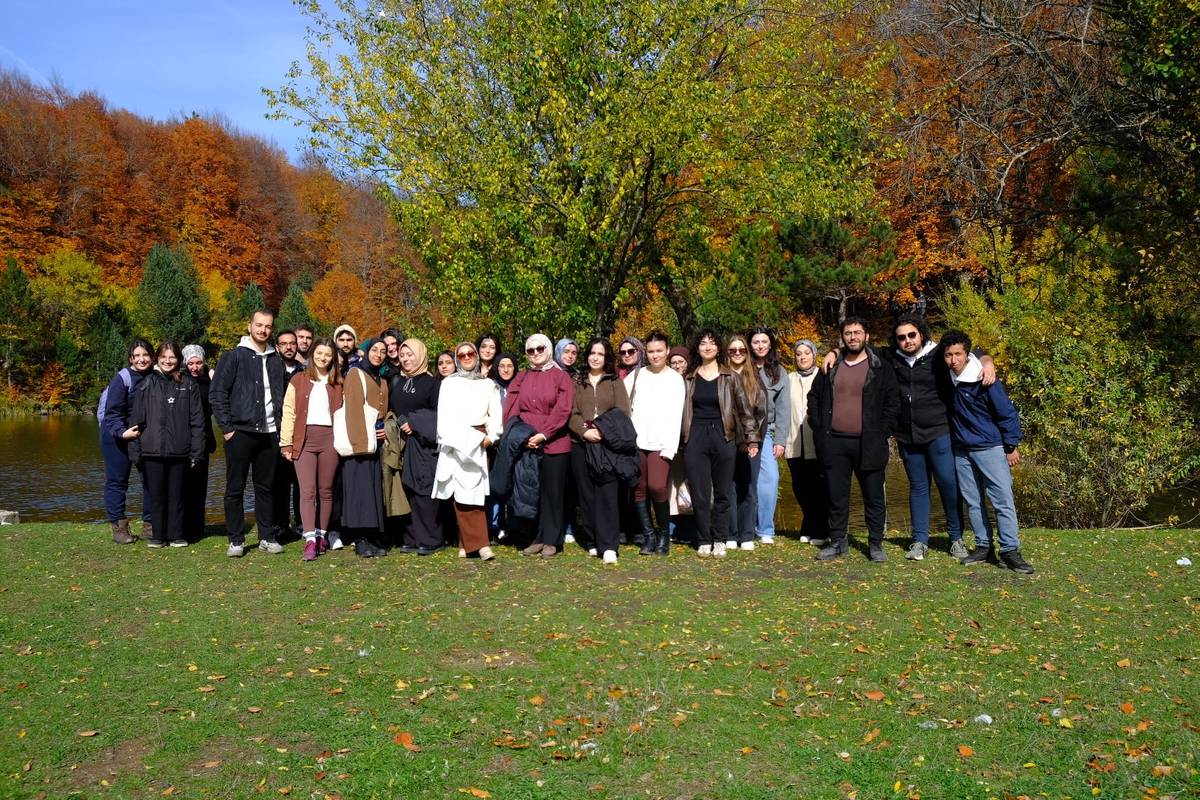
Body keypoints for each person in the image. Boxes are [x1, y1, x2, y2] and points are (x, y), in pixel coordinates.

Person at [888, 315, 993, 562]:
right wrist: (832, 353)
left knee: (948, 484)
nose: (907, 341)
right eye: (901, 337)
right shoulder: (891, 357)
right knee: (918, 487)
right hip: (908, 436)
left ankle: (956, 539)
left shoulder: (937, 354)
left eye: (911, 335)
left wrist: (988, 364)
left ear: (921, 334)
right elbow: (858, 348)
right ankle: (919, 541)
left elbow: (977, 351)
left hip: (939, 432)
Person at [808, 317, 899, 562]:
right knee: (836, 496)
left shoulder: (881, 367)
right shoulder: (831, 366)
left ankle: (876, 543)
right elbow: (814, 398)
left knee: (873, 496)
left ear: (866, 336)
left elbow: (893, 403)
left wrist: (882, 431)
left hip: (869, 442)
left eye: (857, 332)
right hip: (834, 442)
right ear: (842, 337)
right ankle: (838, 542)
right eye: (848, 333)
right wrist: (818, 428)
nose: (853, 337)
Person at [942, 331, 1034, 573]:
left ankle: (1010, 551)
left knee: (1002, 500)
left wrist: (1011, 446)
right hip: (962, 450)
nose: (954, 360)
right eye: (949, 355)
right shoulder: (947, 377)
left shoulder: (985, 379)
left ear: (967, 354)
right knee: (973, 502)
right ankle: (983, 546)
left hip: (990, 448)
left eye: (958, 354)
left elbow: (1007, 413)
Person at [209, 308, 289, 557]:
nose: (263, 330)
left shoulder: (276, 359)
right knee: (235, 488)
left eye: (267, 326)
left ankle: (266, 536)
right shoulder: (233, 357)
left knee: (266, 488)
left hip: (269, 433)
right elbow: (217, 393)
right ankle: (236, 539)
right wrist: (228, 428)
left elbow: (283, 396)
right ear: (249, 326)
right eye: (259, 325)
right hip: (241, 432)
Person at [682, 328, 759, 558]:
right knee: (700, 492)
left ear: (718, 348)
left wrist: (752, 439)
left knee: (723, 491)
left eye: (712, 343)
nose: (707, 346)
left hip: (723, 436)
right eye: (703, 343)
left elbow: (746, 411)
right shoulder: (688, 378)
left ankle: (720, 538)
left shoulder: (730, 377)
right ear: (698, 347)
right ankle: (704, 538)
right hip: (695, 436)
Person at [126, 341, 205, 548]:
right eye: (164, 357)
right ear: (157, 359)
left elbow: (197, 421)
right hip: (152, 451)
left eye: (172, 357)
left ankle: (176, 535)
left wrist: (197, 452)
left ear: (179, 360)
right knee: (157, 496)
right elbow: (136, 420)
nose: (168, 361)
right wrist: (135, 451)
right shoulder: (146, 383)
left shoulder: (188, 384)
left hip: (180, 452)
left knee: (177, 495)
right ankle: (157, 536)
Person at [507, 333, 575, 557]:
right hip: (528, 443)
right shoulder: (521, 377)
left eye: (540, 349)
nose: (536, 354)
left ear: (548, 349)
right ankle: (535, 537)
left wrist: (544, 434)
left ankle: (552, 540)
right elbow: (511, 407)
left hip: (555, 443)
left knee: (553, 493)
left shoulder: (560, 376)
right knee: (532, 492)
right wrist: (522, 435)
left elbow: (563, 409)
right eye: (530, 350)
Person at [433, 342, 504, 561]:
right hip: (455, 441)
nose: (466, 357)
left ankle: (468, 544)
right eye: (461, 355)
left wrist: (490, 438)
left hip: (480, 441)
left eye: (470, 353)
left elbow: (496, 415)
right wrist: (465, 439)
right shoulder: (448, 384)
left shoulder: (487, 384)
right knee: (460, 491)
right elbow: (444, 419)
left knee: (473, 492)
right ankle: (480, 544)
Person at [279, 338, 343, 561]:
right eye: (319, 353)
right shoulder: (299, 379)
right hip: (304, 440)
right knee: (307, 491)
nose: (322, 358)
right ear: (312, 354)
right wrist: (286, 443)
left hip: (330, 441)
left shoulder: (339, 382)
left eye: (327, 355)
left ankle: (322, 535)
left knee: (326, 491)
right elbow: (288, 412)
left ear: (332, 358)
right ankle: (309, 539)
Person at [569, 338, 631, 563]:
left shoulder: (614, 381)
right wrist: (584, 432)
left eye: (601, 354)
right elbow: (572, 412)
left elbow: (622, 412)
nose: (595, 357)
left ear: (607, 358)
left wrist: (602, 430)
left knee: (607, 494)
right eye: (592, 353)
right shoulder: (578, 381)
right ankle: (593, 540)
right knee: (587, 495)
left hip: (607, 445)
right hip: (581, 444)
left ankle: (609, 545)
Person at [624, 330, 685, 556]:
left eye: (659, 351)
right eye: (651, 351)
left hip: (662, 443)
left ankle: (663, 536)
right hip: (638, 442)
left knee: (657, 486)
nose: (655, 355)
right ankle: (648, 537)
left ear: (667, 350)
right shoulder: (636, 376)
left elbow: (677, 415)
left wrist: (670, 447)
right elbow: (623, 406)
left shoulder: (675, 379)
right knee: (639, 488)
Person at [391, 338, 444, 555]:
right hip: (401, 443)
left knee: (424, 490)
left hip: (423, 444)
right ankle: (411, 537)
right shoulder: (397, 381)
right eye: (402, 355)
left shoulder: (432, 384)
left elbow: (439, 415)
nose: (405, 359)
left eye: (410, 354)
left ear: (421, 355)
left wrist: (415, 423)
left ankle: (431, 538)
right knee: (407, 489)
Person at [99, 338, 155, 544]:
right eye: (137, 356)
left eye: (145, 355)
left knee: (150, 480)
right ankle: (119, 528)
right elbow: (111, 413)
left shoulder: (156, 375)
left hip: (141, 436)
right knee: (117, 482)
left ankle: (150, 525)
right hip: (116, 435)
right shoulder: (122, 379)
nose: (141, 359)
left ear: (152, 356)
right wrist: (122, 433)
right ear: (131, 358)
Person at [340, 338, 390, 557]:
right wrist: (360, 443)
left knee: (372, 490)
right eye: (375, 350)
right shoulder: (355, 374)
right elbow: (352, 410)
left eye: (383, 352)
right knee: (358, 490)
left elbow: (384, 411)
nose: (378, 354)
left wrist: (384, 430)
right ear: (366, 352)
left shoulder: (382, 379)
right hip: (359, 442)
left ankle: (372, 536)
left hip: (376, 442)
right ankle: (360, 538)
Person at [783, 340, 828, 543]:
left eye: (806, 353)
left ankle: (819, 530)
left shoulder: (824, 376)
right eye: (798, 353)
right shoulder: (788, 378)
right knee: (800, 488)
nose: (802, 357)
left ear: (814, 355)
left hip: (817, 443)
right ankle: (810, 526)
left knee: (819, 488)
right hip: (793, 442)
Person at [726, 333, 767, 551]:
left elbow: (762, 413)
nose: (738, 354)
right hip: (727, 440)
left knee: (748, 487)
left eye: (741, 350)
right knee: (729, 487)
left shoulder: (755, 378)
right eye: (733, 350)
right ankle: (731, 533)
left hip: (750, 441)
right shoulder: (723, 376)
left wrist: (755, 442)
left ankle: (747, 534)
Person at [749, 327, 790, 545]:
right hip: (742, 432)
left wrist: (780, 440)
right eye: (756, 341)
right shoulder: (741, 367)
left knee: (770, 478)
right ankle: (741, 528)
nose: (760, 345)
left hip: (767, 432)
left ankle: (765, 528)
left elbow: (784, 409)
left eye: (764, 341)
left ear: (770, 344)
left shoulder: (778, 372)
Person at [182, 344, 216, 541]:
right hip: (182, 438)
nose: (195, 367)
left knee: (200, 485)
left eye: (198, 363)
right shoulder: (180, 379)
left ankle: (197, 527)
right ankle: (183, 526)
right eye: (191, 363)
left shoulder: (210, 380)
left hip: (203, 438)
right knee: (183, 485)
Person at [273, 329, 304, 535]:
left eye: (292, 343)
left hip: (299, 432)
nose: (289, 347)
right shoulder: (270, 369)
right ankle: (279, 524)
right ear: (277, 347)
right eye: (284, 344)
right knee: (277, 481)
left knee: (301, 481)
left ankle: (301, 522)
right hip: (273, 431)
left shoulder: (304, 371)